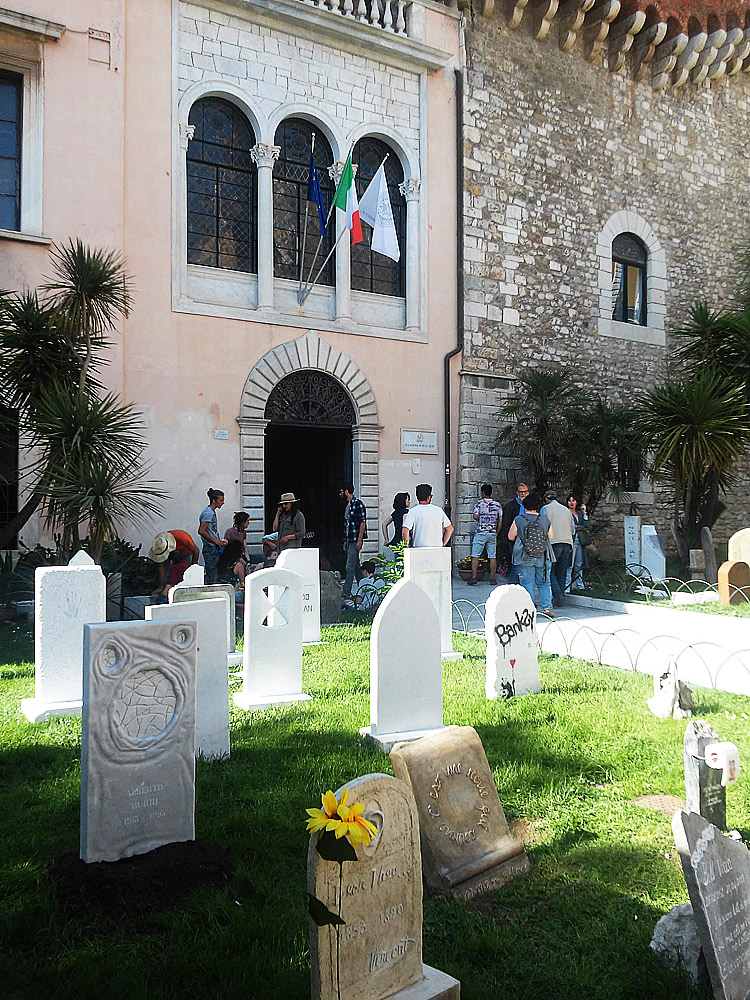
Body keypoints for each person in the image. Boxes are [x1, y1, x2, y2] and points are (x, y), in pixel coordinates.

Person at [508, 491, 554, 615]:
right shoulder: (544, 519)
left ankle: (530, 607)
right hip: (543, 555)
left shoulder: (519, 519)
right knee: (544, 582)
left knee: (527, 582)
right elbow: (551, 535)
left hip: (524, 555)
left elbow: (511, 536)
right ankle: (547, 607)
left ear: (525, 505)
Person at [543, 490, 574, 607]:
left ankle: (557, 593)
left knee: (549, 570)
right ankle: (560, 596)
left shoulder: (545, 509)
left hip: (553, 543)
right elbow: (573, 528)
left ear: (546, 499)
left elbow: (543, 526)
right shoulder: (566, 510)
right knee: (562, 571)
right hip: (567, 543)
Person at [148, 529, 200, 597]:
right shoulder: (159, 545)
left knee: (186, 575)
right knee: (170, 575)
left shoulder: (183, 538)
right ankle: (168, 589)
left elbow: (196, 550)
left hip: (187, 553)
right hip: (177, 558)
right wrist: (160, 586)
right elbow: (161, 567)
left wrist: (193, 568)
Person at [469, 483, 501, 585]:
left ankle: (474, 577)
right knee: (492, 556)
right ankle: (492, 578)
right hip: (492, 532)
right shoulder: (497, 505)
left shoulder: (479, 504)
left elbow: (475, 516)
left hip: (481, 532)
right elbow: (500, 519)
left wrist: (481, 519)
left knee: (475, 555)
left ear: (483, 493)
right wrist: (497, 531)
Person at [341, 482, 367, 601]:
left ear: (347, 491)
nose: (340, 494)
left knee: (349, 566)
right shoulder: (348, 505)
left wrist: (359, 540)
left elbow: (362, 522)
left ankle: (346, 593)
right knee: (356, 566)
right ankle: (364, 589)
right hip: (350, 539)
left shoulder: (358, 504)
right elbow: (347, 525)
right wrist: (345, 541)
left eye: (342, 491)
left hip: (355, 539)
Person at [499, 482, 530, 584]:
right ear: (517, 492)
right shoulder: (510, 506)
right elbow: (506, 524)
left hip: (529, 540)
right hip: (515, 540)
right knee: (515, 565)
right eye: (521, 492)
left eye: (525, 492)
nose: (523, 494)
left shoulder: (531, 506)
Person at [198, 488, 227, 584]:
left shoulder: (211, 512)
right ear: (214, 501)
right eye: (221, 500)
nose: (223, 502)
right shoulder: (208, 513)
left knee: (215, 570)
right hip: (210, 547)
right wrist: (216, 541)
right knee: (211, 571)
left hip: (214, 547)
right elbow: (201, 531)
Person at [567, 493, 589, 590]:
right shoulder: (566, 513)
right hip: (571, 540)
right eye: (570, 501)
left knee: (579, 563)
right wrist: (579, 527)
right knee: (569, 564)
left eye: (573, 501)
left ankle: (580, 585)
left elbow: (586, 525)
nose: (571, 503)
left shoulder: (579, 513)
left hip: (579, 540)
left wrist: (584, 513)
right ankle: (567, 585)